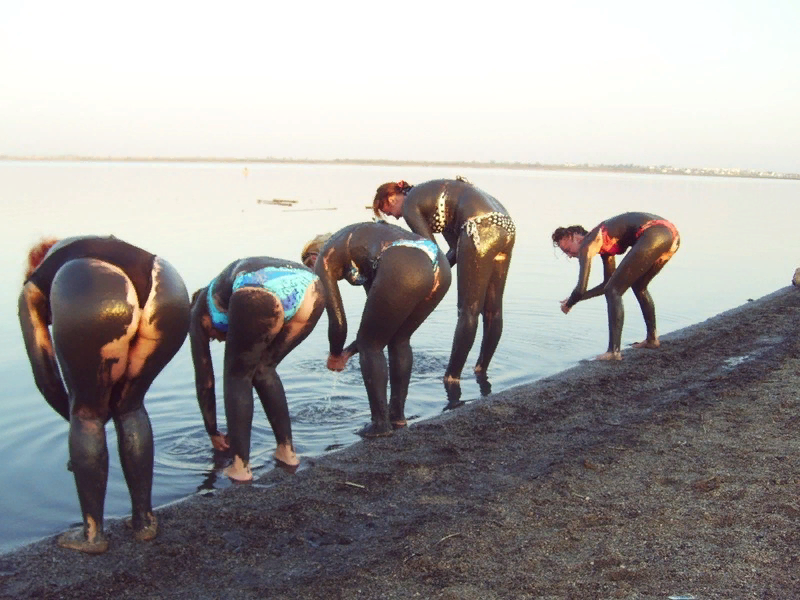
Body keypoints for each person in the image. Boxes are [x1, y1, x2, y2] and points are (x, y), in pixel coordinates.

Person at [18, 235, 190, 554]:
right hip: (167, 284)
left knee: (87, 414)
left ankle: (93, 534)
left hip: (96, 289)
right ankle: (144, 521)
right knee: (130, 406)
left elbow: (46, 376)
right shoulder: (87, 245)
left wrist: (84, 426)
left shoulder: (34, 287)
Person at [301, 221, 451, 437]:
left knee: (373, 346)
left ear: (312, 258)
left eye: (310, 270)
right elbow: (378, 329)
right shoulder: (361, 247)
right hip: (439, 264)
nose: (315, 279)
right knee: (399, 338)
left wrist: (334, 354)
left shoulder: (326, 256)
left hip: (404, 264)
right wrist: (349, 353)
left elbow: (338, 323)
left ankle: (380, 423)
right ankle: (397, 417)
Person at [372, 178, 515, 406]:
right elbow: (454, 251)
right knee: (492, 309)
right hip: (504, 225)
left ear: (391, 197)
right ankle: (481, 369)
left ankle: (452, 376)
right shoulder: (436, 197)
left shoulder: (410, 206)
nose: (393, 216)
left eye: (387, 210)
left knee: (468, 309)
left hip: (478, 227)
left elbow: (431, 251)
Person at [189, 257, 324, 482]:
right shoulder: (221, 290)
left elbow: (205, 380)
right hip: (311, 287)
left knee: (237, 377)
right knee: (263, 369)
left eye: (213, 337)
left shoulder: (197, 312)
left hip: (259, 290)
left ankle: (240, 467)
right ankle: (287, 453)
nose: (217, 340)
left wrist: (212, 431)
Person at [552, 211, 681, 360]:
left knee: (614, 291)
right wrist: (576, 298)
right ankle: (652, 339)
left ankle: (613, 352)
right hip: (670, 236)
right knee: (638, 285)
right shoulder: (604, 243)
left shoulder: (588, 244)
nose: (569, 255)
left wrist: (569, 303)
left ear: (574, 236)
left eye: (567, 250)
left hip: (654, 233)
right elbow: (607, 284)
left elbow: (582, 288)